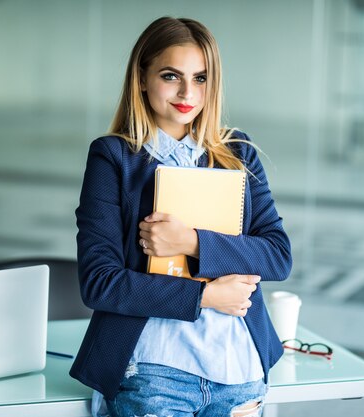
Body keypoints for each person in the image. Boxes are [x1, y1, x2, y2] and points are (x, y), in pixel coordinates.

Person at [70, 16, 292, 417]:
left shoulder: (238, 155)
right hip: (155, 372)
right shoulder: (113, 158)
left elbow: (277, 255)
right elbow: (100, 283)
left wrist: (190, 241)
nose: (188, 92)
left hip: (238, 370)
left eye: (201, 78)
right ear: (142, 77)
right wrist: (207, 296)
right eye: (171, 76)